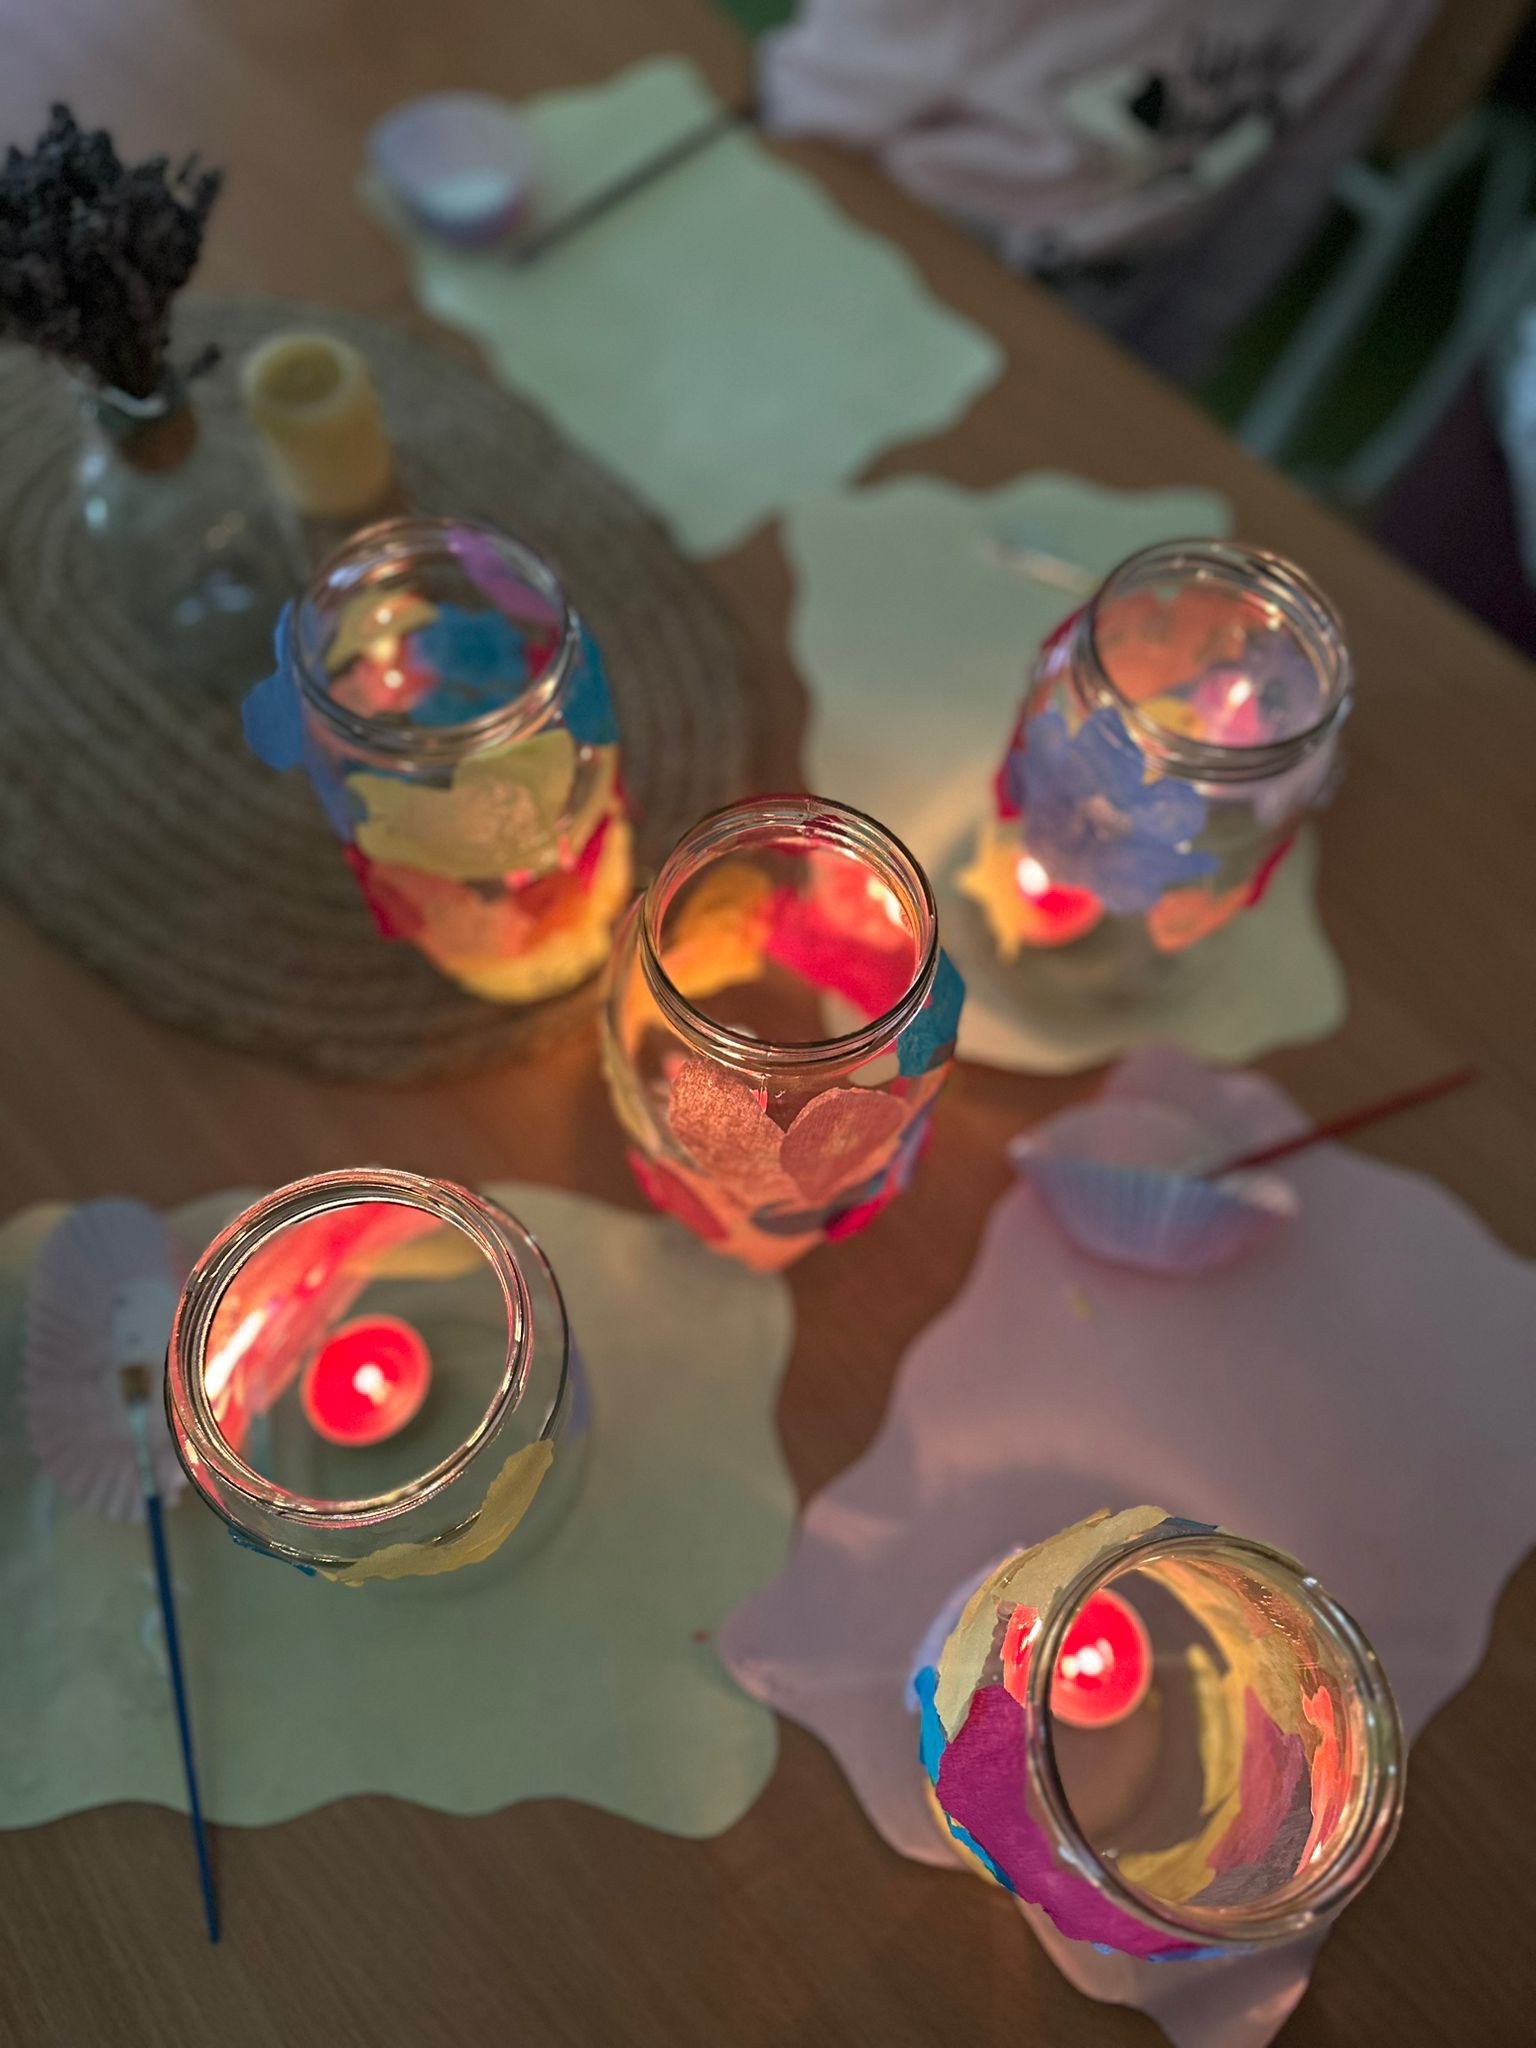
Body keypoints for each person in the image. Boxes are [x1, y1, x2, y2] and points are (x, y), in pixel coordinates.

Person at [760, 0, 1435, 381]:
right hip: (878, 233)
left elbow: (1292, 173)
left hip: (1090, 310)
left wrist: (1174, 354)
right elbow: (822, 105)